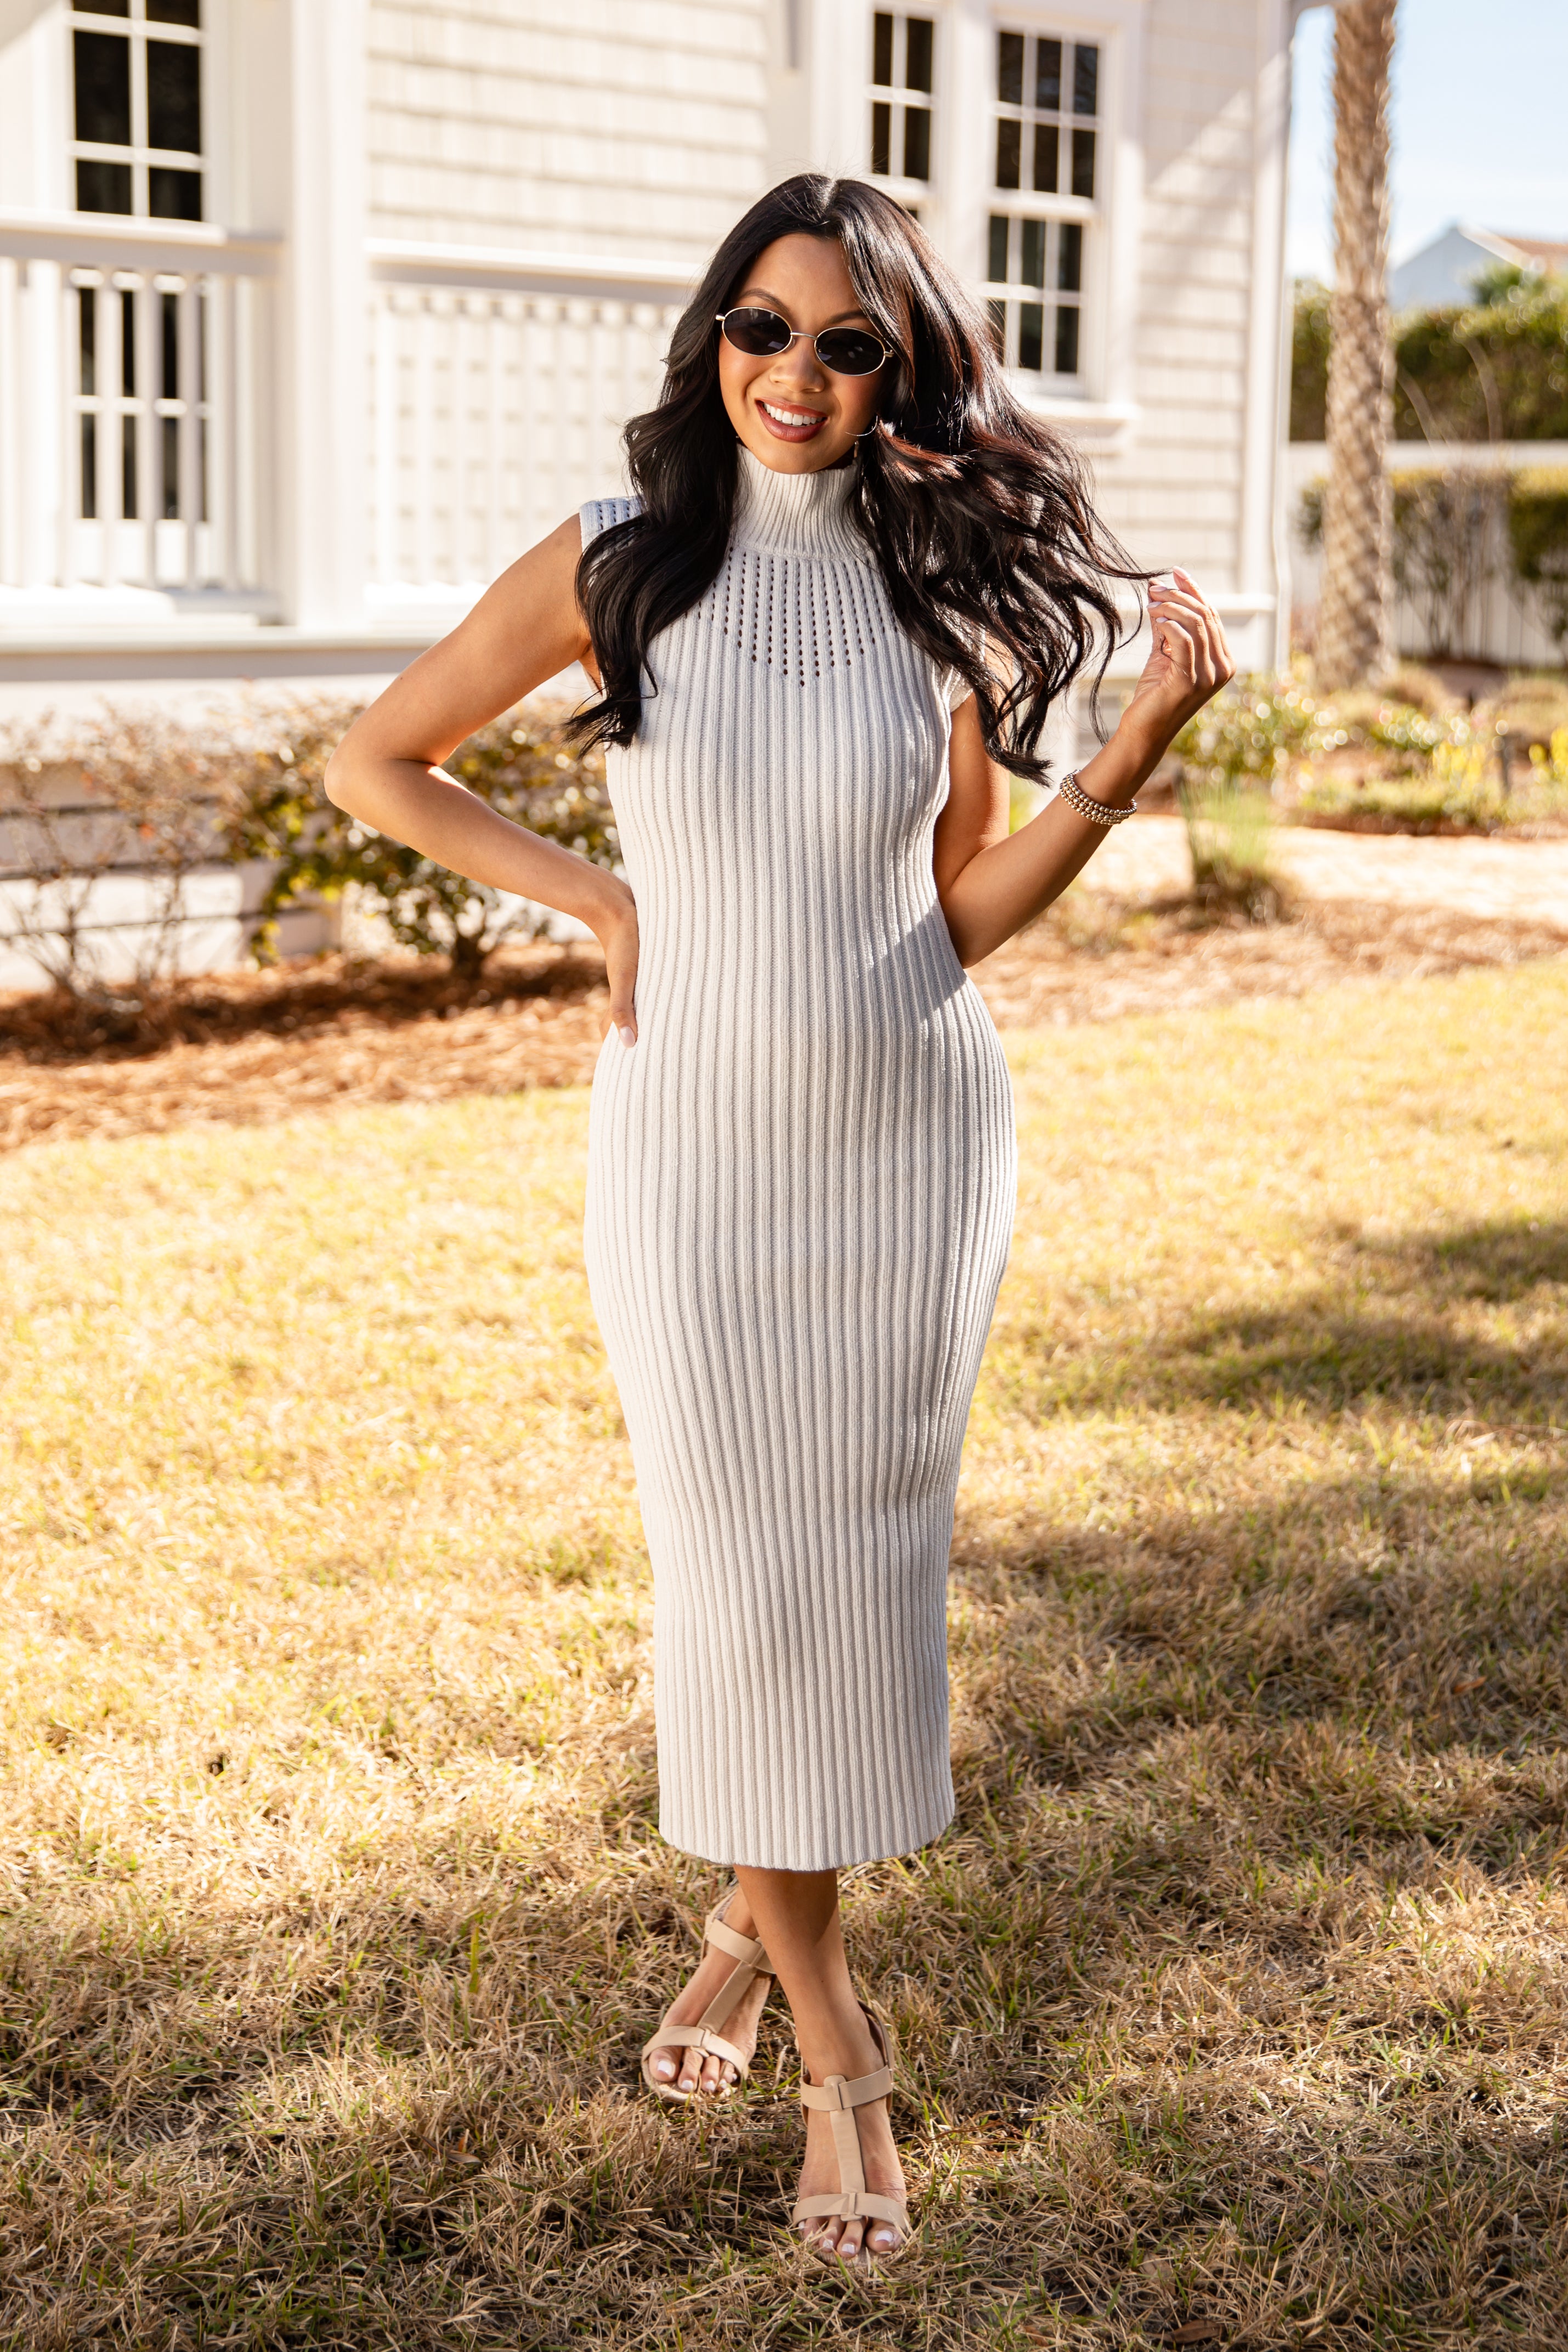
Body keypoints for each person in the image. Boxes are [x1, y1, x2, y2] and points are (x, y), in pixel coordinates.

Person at [326, 173, 1232, 2272]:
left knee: (853, 1576)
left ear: (900, 371)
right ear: (708, 339)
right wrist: (604, 899)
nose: (792, 375)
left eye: (843, 343)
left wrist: (1133, 743)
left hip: (909, 1146)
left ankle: (749, 1935)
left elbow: (957, 921)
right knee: (739, 1579)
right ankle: (842, 2041)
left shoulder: (934, 603)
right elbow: (382, 759)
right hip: (692, 1156)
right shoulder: (619, 564)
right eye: (758, 328)